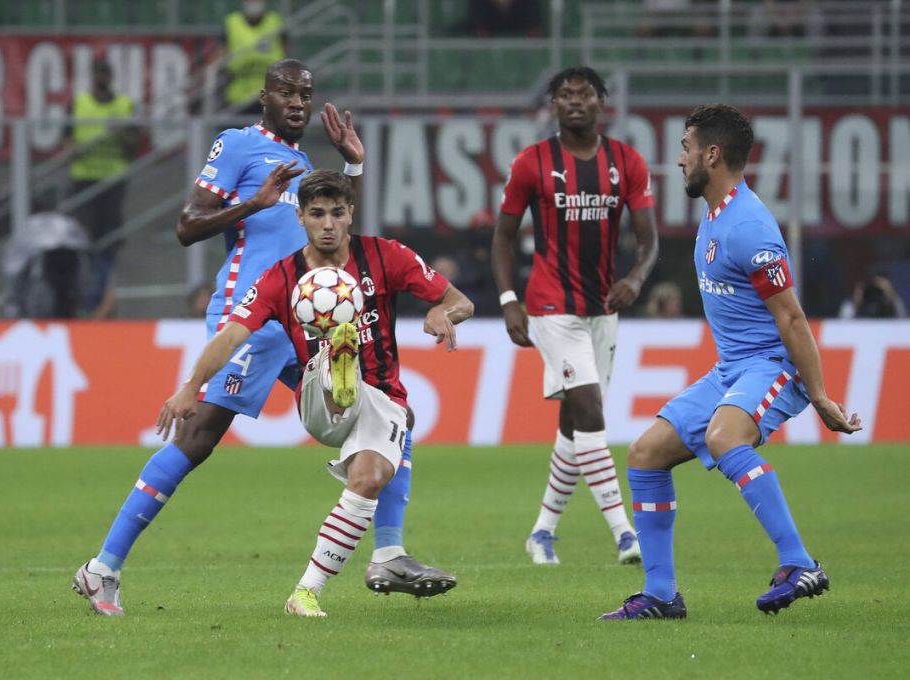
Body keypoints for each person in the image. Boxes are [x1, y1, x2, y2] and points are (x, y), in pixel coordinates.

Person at [72, 59, 451, 617]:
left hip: (302, 318)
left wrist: (353, 163)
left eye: (305, 93)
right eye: (286, 93)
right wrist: (252, 203)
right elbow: (186, 225)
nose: (297, 102)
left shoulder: (299, 162)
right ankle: (102, 569)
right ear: (263, 97)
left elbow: (337, 221)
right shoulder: (239, 144)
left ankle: (389, 551)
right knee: (197, 439)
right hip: (252, 314)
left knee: (394, 412)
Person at [156, 169, 474, 617]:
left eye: (337, 213)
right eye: (317, 214)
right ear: (301, 217)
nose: (328, 223)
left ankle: (305, 593)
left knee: (368, 477)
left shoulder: (387, 255)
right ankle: (340, 363)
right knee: (380, 408)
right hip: (319, 394)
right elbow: (230, 336)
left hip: (379, 396)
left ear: (350, 216)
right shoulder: (280, 277)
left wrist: (445, 313)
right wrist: (191, 386)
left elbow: (462, 301)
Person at [600, 104, 861, 620]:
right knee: (646, 453)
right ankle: (660, 595)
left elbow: (792, 320)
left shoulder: (749, 227)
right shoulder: (716, 213)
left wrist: (820, 395)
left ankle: (799, 562)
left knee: (724, 437)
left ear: (712, 155)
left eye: (686, 148)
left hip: (773, 366)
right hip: (732, 370)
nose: (679, 161)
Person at [492, 66, 659, 566]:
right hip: (550, 306)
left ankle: (542, 532)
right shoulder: (531, 163)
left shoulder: (626, 162)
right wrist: (508, 299)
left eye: (585, 94)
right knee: (591, 411)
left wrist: (635, 278)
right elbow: (502, 236)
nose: (576, 102)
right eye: (565, 95)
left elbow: (650, 241)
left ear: (602, 103)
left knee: (574, 426)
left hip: (603, 309)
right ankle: (625, 533)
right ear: (553, 106)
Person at [68, 58, 139, 319]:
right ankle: (86, 295)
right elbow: (66, 143)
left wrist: (121, 135)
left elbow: (135, 143)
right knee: (85, 241)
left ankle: (102, 296)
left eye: (106, 73)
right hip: (84, 180)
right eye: (99, 73)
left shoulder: (124, 105)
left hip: (113, 181)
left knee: (109, 242)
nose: (102, 78)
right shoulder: (78, 104)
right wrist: (75, 150)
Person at [223, 0, 286, 113]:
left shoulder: (275, 21)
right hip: (238, 95)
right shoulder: (232, 23)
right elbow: (222, 55)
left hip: (270, 94)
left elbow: (285, 51)